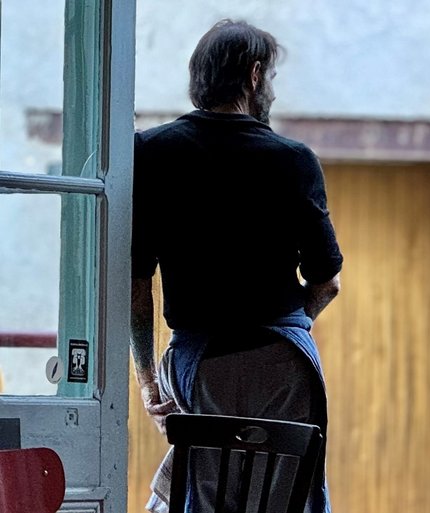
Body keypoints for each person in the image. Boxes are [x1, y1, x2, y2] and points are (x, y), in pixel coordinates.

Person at [130, 19, 343, 513]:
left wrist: (147, 382)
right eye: (270, 78)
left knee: (203, 495)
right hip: (285, 370)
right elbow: (327, 282)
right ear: (254, 75)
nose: (272, 91)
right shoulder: (293, 160)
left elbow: (138, 283)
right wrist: (285, 328)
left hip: (203, 365)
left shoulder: (151, 152)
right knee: (281, 501)